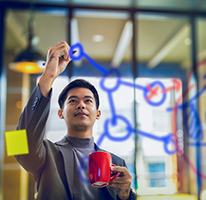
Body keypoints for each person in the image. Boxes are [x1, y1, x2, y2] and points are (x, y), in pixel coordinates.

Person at [15, 41, 136, 200]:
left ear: (98, 113)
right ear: (60, 113)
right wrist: (48, 77)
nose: (81, 105)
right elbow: (21, 144)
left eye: (88, 101)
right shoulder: (47, 155)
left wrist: (126, 195)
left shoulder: (117, 163)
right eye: (72, 101)